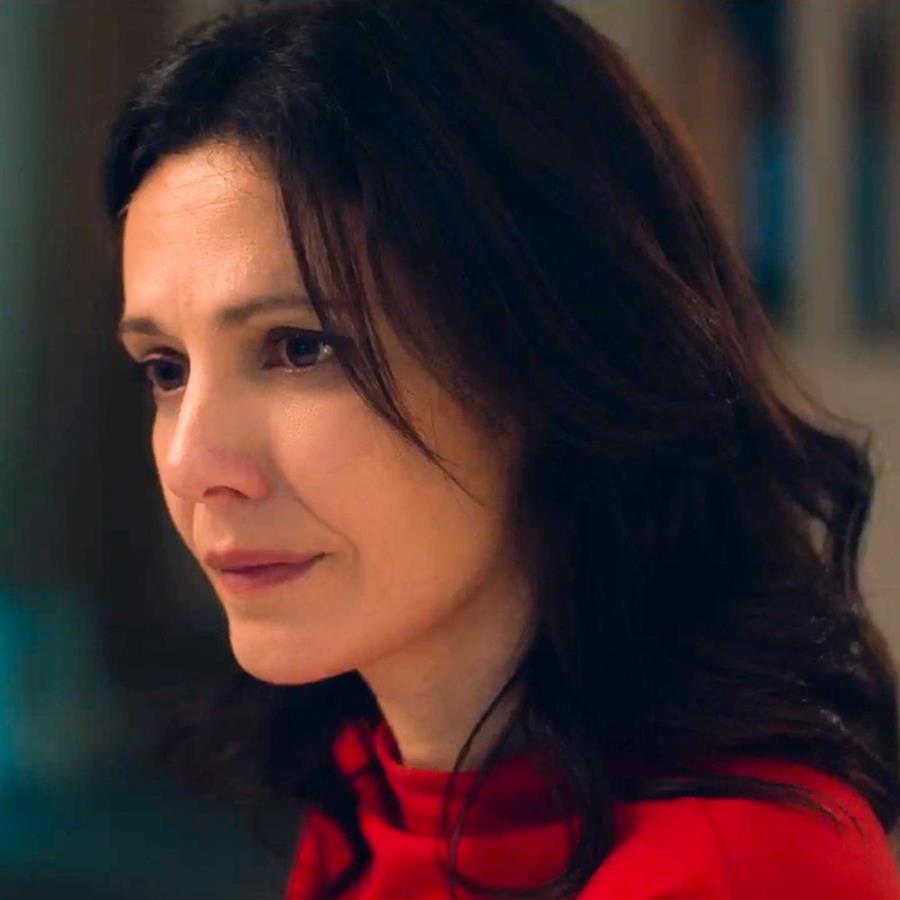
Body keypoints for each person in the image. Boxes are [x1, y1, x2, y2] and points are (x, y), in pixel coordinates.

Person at [101, 1, 900, 897]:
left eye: (300, 348)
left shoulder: (741, 869)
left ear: (544, 354)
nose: (192, 465)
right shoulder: (373, 813)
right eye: (165, 370)